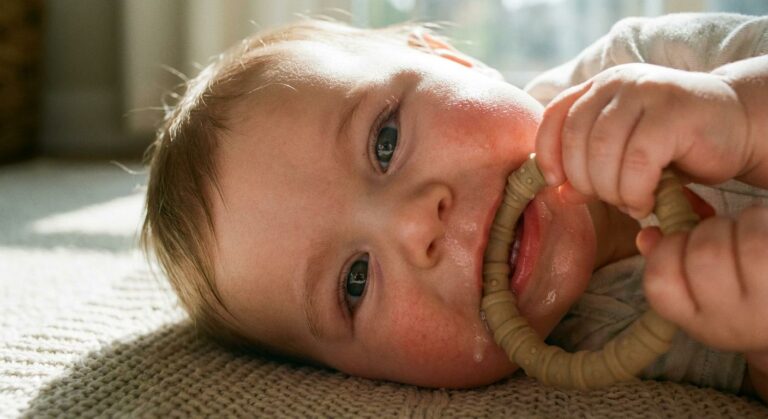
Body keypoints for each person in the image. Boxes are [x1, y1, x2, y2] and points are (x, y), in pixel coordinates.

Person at [140, 13, 768, 400]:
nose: (416, 225)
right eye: (354, 283)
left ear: (448, 58)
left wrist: (737, 110)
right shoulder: (602, 355)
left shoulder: (648, 65)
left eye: (385, 141)